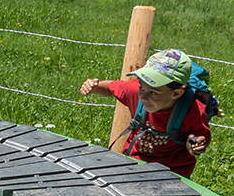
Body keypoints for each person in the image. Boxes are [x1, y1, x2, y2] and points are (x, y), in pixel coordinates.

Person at [79, 48, 215, 177]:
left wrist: (195, 144)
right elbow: (112, 87)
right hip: (134, 164)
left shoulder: (193, 110)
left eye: (153, 93)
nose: (143, 96)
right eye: (142, 88)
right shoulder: (135, 91)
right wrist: (95, 87)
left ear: (176, 93)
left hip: (174, 173)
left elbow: (200, 136)